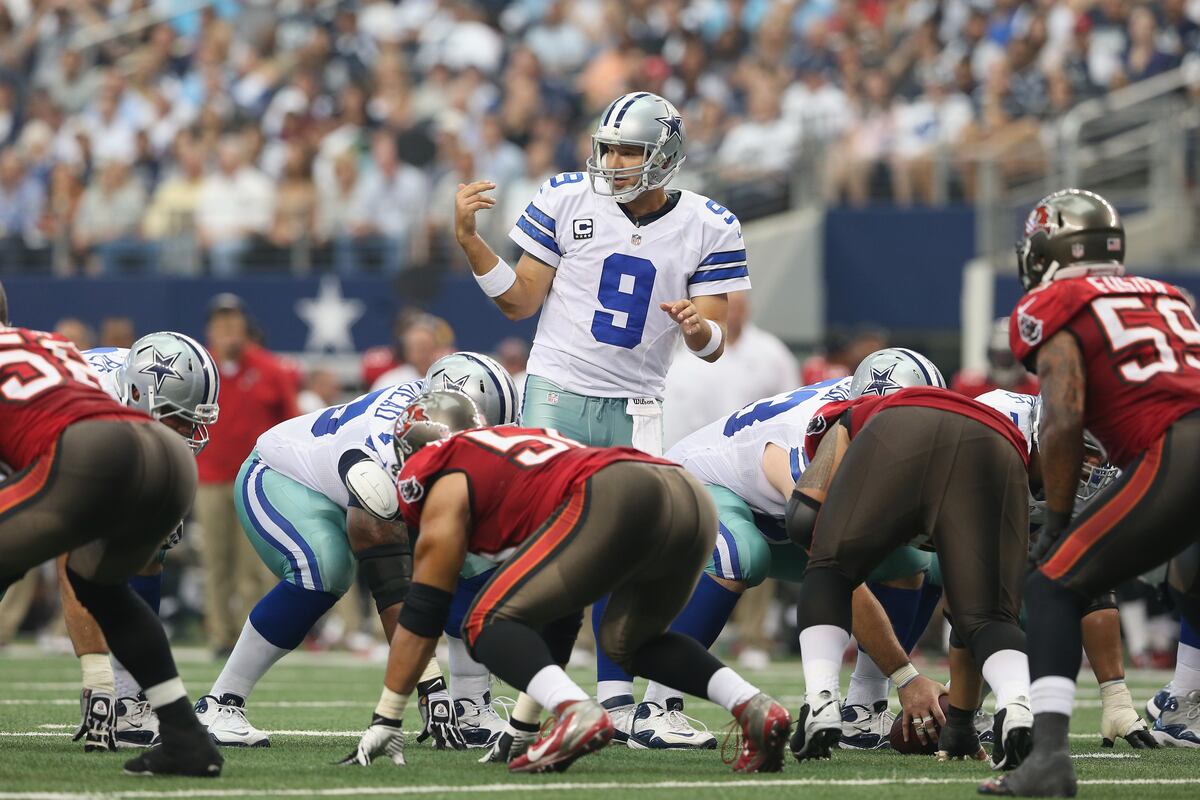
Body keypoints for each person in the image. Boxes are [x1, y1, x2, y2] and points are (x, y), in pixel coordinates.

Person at [454, 90, 750, 745]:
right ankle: (510, 706)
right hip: (556, 394)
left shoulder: (710, 223)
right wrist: (473, 244)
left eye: (630, 150)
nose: (613, 161)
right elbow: (520, 302)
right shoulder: (566, 197)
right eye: (609, 147)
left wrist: (699, 328)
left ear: (664, 157)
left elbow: (714, 342)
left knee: (636, 556)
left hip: (637, 404)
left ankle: (617, 704)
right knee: (539, 551)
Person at [340, 391, 791, 774]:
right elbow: (562, 613)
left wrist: (388, 716)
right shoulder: (517, 444)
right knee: (630, 643)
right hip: (684, 492)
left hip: (612, 493)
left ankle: (577, 713)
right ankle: (755, 709)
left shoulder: (443, 469)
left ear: (414, 449)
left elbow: (422, 610)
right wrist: (523, 727)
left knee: (486, 621)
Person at [981, 190, 1200, 796]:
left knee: (1053, 579)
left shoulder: (1054, 301)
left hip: (1180, 448)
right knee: (1189, 579)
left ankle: (1049, 759)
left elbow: (1064, 416)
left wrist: (1054, 517)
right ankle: (1185, 698)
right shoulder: (1167, 293)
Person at [197, 352, 519, 749]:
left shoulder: (434, 428)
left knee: (478, 557)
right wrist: (428, 685)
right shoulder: (383, 451)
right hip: (283, 475)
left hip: (354, 485)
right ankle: (220, 703)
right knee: (325, 569)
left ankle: (471, 707)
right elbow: (389, 580)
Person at [630, 349, 946, 752]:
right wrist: (908, 676)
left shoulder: (868, 421)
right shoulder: (813, 440)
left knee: (917, 560)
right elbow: (835, 573)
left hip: (773, 514)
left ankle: (862, 710)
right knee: (741, 555)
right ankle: (656, 706)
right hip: (693, 484)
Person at [0, 281, 221, 777]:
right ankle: (185, 738)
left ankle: (112, 692)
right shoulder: (50, 344)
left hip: (92, 451)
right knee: (100, 587)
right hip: (165, 459)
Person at [788, 385, 1034, 770]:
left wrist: (822, 540)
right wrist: (961, 722)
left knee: (830, 569)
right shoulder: (979, 415)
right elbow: (963, 612)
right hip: (999, 443)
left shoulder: (848, 413)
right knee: (987, 617)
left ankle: (820, 700)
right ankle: (1017, 704)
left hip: (900, 428)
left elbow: (803, 517)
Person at [59, 334, 219, 751]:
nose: (190, 432)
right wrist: (97, 681)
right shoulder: (86, 412)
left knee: (153, 543)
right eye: (178, 418)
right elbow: (68, 555)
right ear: (137, 393)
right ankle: (111, 689)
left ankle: (131, 699)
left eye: (193, 420)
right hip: (21, 440)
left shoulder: (138, 400)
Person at [196, 294, 299, 656]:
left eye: (233, 322)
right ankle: (220, 636)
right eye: (220, 323)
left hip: (257, 480)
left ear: (244, 326)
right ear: (210, 328)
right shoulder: (200, 366)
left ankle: (253, 639)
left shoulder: (269, 369)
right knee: (215, 562)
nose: (226, 330)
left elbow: (292, 421)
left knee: (255, 564)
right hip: (209, 478)